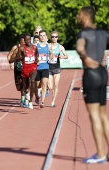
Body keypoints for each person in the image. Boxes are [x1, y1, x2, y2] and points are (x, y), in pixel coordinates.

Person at [76, 6, 109, 164]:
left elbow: (80, 47)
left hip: (91, 73)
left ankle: (101, 154)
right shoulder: (104, 33)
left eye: (78, 14)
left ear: (84, 16)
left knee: (94, 115)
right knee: (103, 115)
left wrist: (84, 57)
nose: (77, 17)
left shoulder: (83, 33)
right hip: (103, 73)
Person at [16, 33, 39, 109]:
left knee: (32, 80)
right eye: (27, 40)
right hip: (25, 69)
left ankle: (30, 101)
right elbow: (18, 57)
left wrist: (36, 59)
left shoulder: (35, 47)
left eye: (29, 39)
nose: (28, 41)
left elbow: (37, 54)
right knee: (25, 87)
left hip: (33, 67)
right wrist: (19, 59)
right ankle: (26, 95)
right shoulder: (22, 48)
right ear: (25, 41)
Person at [48, 31, 68, 107]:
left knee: (56, 84)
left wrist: (62, 57)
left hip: (57, 67)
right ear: (51, 37)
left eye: (56, 37)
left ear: (58, 38)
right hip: (49, 67)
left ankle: (53, 101)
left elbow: (66, 56)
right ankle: (46, 89)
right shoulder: (48, 46)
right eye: (53, 37)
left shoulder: (60, 47)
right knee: (50, 87)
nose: (54, 38)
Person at [35, 30, 53, 108]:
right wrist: (36, 60)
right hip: (37, 68)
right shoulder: (35, 45)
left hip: (45, 67)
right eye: (41, 35)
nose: (42, 37)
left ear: (46, 36)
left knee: (44, 83)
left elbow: (51, 54)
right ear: (39, 37)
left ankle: (42, 101)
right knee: (38, 85)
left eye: (43, 35)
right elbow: (32, 55)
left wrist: (50, 58)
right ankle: (37, 96)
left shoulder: (48, 46)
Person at [7, 34, 25, 104]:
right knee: (19, 87)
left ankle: (24, 98)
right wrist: (11, 63)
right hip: (17, 69)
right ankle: (23, 95)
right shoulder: (15, 47)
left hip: (26, 68)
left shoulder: (29, 47)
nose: (23, 44)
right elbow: (9, 55)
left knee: (25, 83)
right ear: (19, 42)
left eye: (24, 42)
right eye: (22, 42)